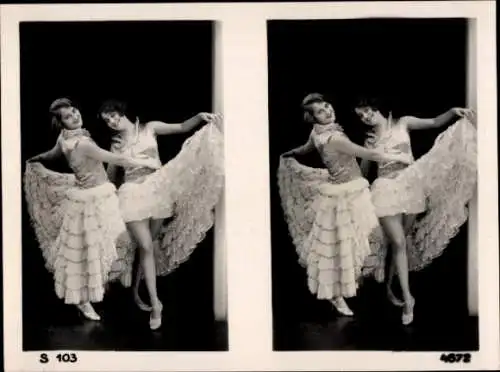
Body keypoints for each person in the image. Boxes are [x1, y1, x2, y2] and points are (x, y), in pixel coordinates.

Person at [24, 98, 159, 321]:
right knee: (93, 248)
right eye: (68, 117)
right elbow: (113, 158)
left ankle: (98, 288)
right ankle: (84, 299)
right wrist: (147, 163)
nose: (75, 116)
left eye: (74, 111)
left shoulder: (65, 139)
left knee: (98, 245)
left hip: (91, 193)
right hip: (93, 198)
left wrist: (37, 158)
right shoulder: (81, 143)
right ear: (61, 124)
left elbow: (52, 154)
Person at [278, 93, 412, 316]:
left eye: (327, 105)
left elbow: (306, 148)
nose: (328, 111)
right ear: (313, 118)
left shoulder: (318, 133)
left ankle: (349, 285)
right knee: (343, 244)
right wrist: (401, 158)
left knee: (351, 242)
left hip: (350, 190)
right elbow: (368, 154)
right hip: (345, 194)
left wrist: (293, 152)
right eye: (321, 111)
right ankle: (336, 294)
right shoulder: (333, 138)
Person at [98, 99, 224, 330]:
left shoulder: (150, 128)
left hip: (157, 187)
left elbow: (182, 128)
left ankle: (141, 290)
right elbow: (110, 176)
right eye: (107, 121)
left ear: (121, 112)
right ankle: (156, 304)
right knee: (145, 245)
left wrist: (200, 116)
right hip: (132, 192)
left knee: (151, 244)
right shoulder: (115, 144)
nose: (112, 122)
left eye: (113, 116)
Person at [354, 97, 477, 325]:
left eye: (366, 112)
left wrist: (452, 111)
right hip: (385, 188)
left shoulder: (403, 123)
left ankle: (391, 288)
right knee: (399, 242)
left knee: (400, 242)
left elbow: (432, 123)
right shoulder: (369, 140)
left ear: (375, 107)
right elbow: (363, 172)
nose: (365, 117)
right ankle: (409, 299)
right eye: (361, 116)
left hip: (411, 185)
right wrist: (366, 153)